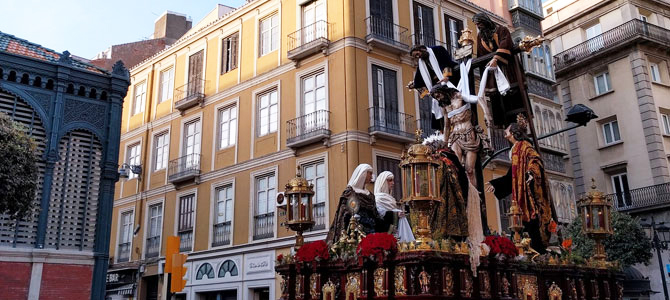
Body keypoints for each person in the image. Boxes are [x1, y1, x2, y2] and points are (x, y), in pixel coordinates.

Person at [485, 120, 558, 253]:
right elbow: (511, 176)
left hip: (527, 190)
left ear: (513, 133)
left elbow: (535, 160)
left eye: (507, 130)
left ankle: (537, 249)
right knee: (521, 222)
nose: (504, 133)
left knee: (531, 218)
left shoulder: (525, 146)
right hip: (519, 194)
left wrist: (531, 172)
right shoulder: (515, 149)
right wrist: (496, 184)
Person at [431, 86, 491, 186]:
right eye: (436, 98)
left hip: (469, 135)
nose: (438, 99)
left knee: (470, 170)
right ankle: (461, 194)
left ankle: (474, 196)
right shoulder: (445, 106)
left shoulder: (459, 96)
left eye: (438, 95)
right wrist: (445, 144)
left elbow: (479, 99)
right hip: (455, 137)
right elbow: (447, 125)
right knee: (455, 167)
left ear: (443, 91)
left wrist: (486, 113)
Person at [473, 12, 525, 127]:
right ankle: (504, 123)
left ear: (485, 21)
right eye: (477, 25)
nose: (479, 26)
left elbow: (505, 44)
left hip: (507, 67)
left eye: (480, 23)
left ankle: (520, 121)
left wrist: (496, 58)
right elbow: (481, 55)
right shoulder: (480, 37)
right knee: (498, 98)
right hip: (493, 72)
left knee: (513, 94)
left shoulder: (501, 30)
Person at [326, 164, 383, 244]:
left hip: (371, 231)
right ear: (363, 174)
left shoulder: (370, 195)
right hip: (355, 232)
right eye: (370, 173)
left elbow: (375, 214)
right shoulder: (351, 193)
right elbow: (344, 214)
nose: (372, 177)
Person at [407, 45, 459, 131]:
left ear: (421, 49)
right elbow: (419, 77)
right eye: (415, 56)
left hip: (450, 80)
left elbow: (446, 62)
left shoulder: (438, 50)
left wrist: (446, 76)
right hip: (438, 86)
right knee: (438, 106)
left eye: (417, 54)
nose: (418, 56)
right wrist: (414, 85)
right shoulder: (422, 63)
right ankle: (444, 130)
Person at [374, 171, 415, 243]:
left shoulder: (391, 199)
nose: (393, 183)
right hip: (384, 232)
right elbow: (379, 216)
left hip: (396, 231)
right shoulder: (378, 199)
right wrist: (396, 214)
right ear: (383, 182)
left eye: (393, 180)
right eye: (390, 180)